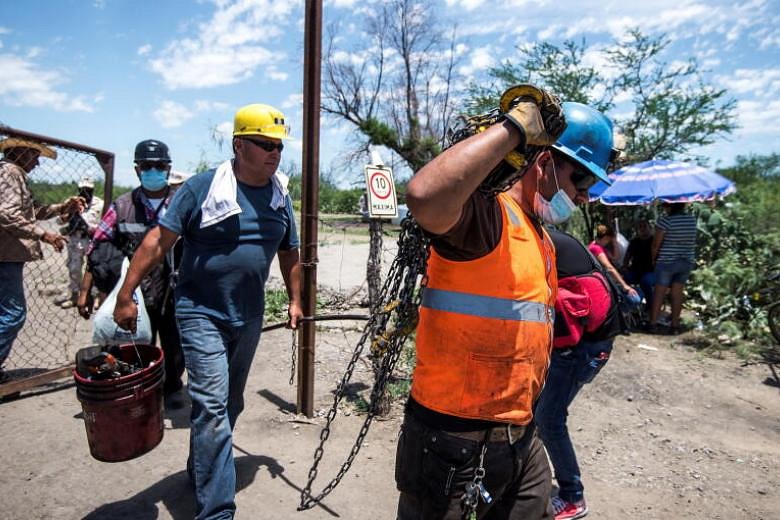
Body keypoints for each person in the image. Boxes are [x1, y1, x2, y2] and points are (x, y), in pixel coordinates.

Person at [394, 91, 614, 519]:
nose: (585, 197)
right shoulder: (486, 216)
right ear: (545, 162)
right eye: (582, 181)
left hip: (519, 436)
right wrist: (516, 129)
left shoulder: (537, 234)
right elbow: (424, 196)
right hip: (451, 442)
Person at [112, 104, 302, 520]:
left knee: (230, 404)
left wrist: (295, 298)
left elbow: (290, 252)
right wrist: (126, 294)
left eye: (278, 146)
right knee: (212, 407)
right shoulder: (202, 189)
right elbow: (157, 243)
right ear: (239, 145)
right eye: (265, 145)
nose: (275, 153)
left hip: (248, 316)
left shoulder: (279, 196)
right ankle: (217, 511)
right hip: (200, 313)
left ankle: (202, 468)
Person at [79, 139, 185, 398]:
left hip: (174, 290)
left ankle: (171, 386)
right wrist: (85, 291)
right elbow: (97, 250)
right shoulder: (122, 207)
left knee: (175, 343)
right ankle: (140, 391)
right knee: (136, 344)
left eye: (159, 165)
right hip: (134, 290)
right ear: (137, 170)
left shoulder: (181, 204)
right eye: (147, 166)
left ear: (168, 169)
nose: (153, 171)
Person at [535, 229, 623, 520]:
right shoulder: (555, 240)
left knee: (548, 418)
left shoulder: (538, 241)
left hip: (581, 348)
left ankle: (573, 496)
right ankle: (525, 473)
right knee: (538, 411)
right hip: (587, 342)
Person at [0, 138, 84, 381]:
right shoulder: (10, 173)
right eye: (35, 156)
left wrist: (62, 207)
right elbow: (7, 214)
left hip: (8, 256)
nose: (37, 163)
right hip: (5, 257)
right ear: (20, 152)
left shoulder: (14, 174)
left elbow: (32, 211)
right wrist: (44, 234)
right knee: (13, 314)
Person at [648, 202, 697, 334]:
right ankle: (674, 325)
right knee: (677, 294)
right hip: (686, 261)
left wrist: (653, 260)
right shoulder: (691, 220)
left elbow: (656, 244)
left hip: (667, 262)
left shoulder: (665, 221)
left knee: (659, 293)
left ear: (670, 206)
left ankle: (653, 324)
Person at [55, 176, 104, 309]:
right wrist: (70, 213)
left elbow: (105, 222)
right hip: (75, 240)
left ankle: (94, 297)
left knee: (94, 270)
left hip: (92, 240)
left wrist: (94, 230)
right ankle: (74, 296)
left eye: (88, 189)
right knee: (74, 269)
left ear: (93, 189)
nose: (85, 192)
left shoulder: (100, 203)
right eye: (82, 189)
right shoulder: (71, 202)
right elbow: (59, 221)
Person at [588, 224, 639, 305]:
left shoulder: (599, 246)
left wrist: (614, 241)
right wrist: (624, 286)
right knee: (635, 299)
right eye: (609, 240)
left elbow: (616, 257)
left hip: (608, 281)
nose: (609, 242)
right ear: (605, 238)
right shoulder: (596, 248)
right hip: (603, 284)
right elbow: (609, 268)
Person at [622, 219, 655, 310]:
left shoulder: (655, 241)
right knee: (624, 279)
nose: (642, 228)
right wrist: (624, 267)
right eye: (640, 227)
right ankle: (628, 304)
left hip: (651, 271)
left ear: (649, 228)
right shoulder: (634, 242)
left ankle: (650, 306)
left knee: (646, 282)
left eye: (644, 226)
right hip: (635, 270)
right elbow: (627, 256)